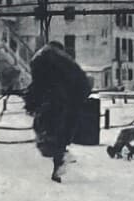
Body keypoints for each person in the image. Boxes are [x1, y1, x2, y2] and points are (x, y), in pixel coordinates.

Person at [22, 39, 93, 182]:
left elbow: (39, 84)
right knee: (57, 133)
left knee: (48, 130)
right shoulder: (59, 59)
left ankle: (60, 157)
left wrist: (31, 101)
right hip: (70, 97)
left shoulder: (43, 58)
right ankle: (60, 159)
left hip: (60, 99)